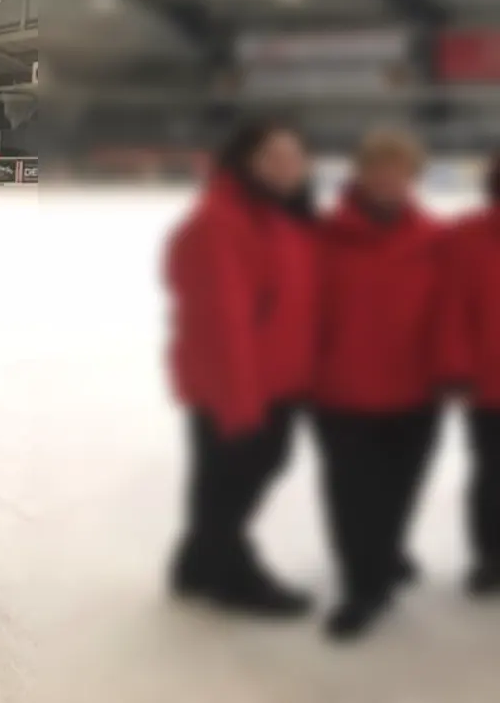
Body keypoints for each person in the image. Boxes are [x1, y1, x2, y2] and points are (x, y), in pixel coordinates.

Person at [164, 117, 316, 619]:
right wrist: (239, 401)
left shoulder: (275, 214)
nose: (288, 166)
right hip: (239, 387)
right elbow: (222, 325)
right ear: (246, 162)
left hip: (276, 378)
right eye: (274, 156)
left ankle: (196, 564)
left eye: (295, 156)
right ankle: (230, 575)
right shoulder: (223, 222)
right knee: (234, 479)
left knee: (231, 477)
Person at [312, 129, 444, 641]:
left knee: (400, 488)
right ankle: (361, 587)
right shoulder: (321, 235)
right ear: (359, 173)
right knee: (352, 495)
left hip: (416, 392)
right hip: (342, 392)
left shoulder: (436, 238)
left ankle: (386, 552)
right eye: (378, 167)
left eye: (400, 169)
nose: (388, 178)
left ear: (414, 178)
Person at [436, 148, 500, 600]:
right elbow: (452, 307)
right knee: (493, 476)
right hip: (490, 383)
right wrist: (456, 367)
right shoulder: (467, 235)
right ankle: (491, 556)